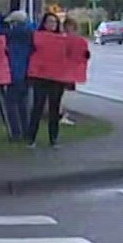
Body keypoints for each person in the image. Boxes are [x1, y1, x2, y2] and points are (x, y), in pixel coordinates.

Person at [27, 12, 70, 148]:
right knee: (37, 107)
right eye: (49, 22)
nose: (52, 25)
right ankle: (31, 138)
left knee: (54, 108)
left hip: (56, 78)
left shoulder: (62, 39)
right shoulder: (37, 37)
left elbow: (71, 55)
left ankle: (53, 138)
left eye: (54, 22)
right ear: (44, 24)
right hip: (41, 77)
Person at [0, 9, 36, 142]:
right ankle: (26, 131)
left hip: (15, 73)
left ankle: (16, 132)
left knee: (11, 104)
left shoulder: (15, 34)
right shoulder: (31, 32)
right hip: (28, 74)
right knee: (23, 104)